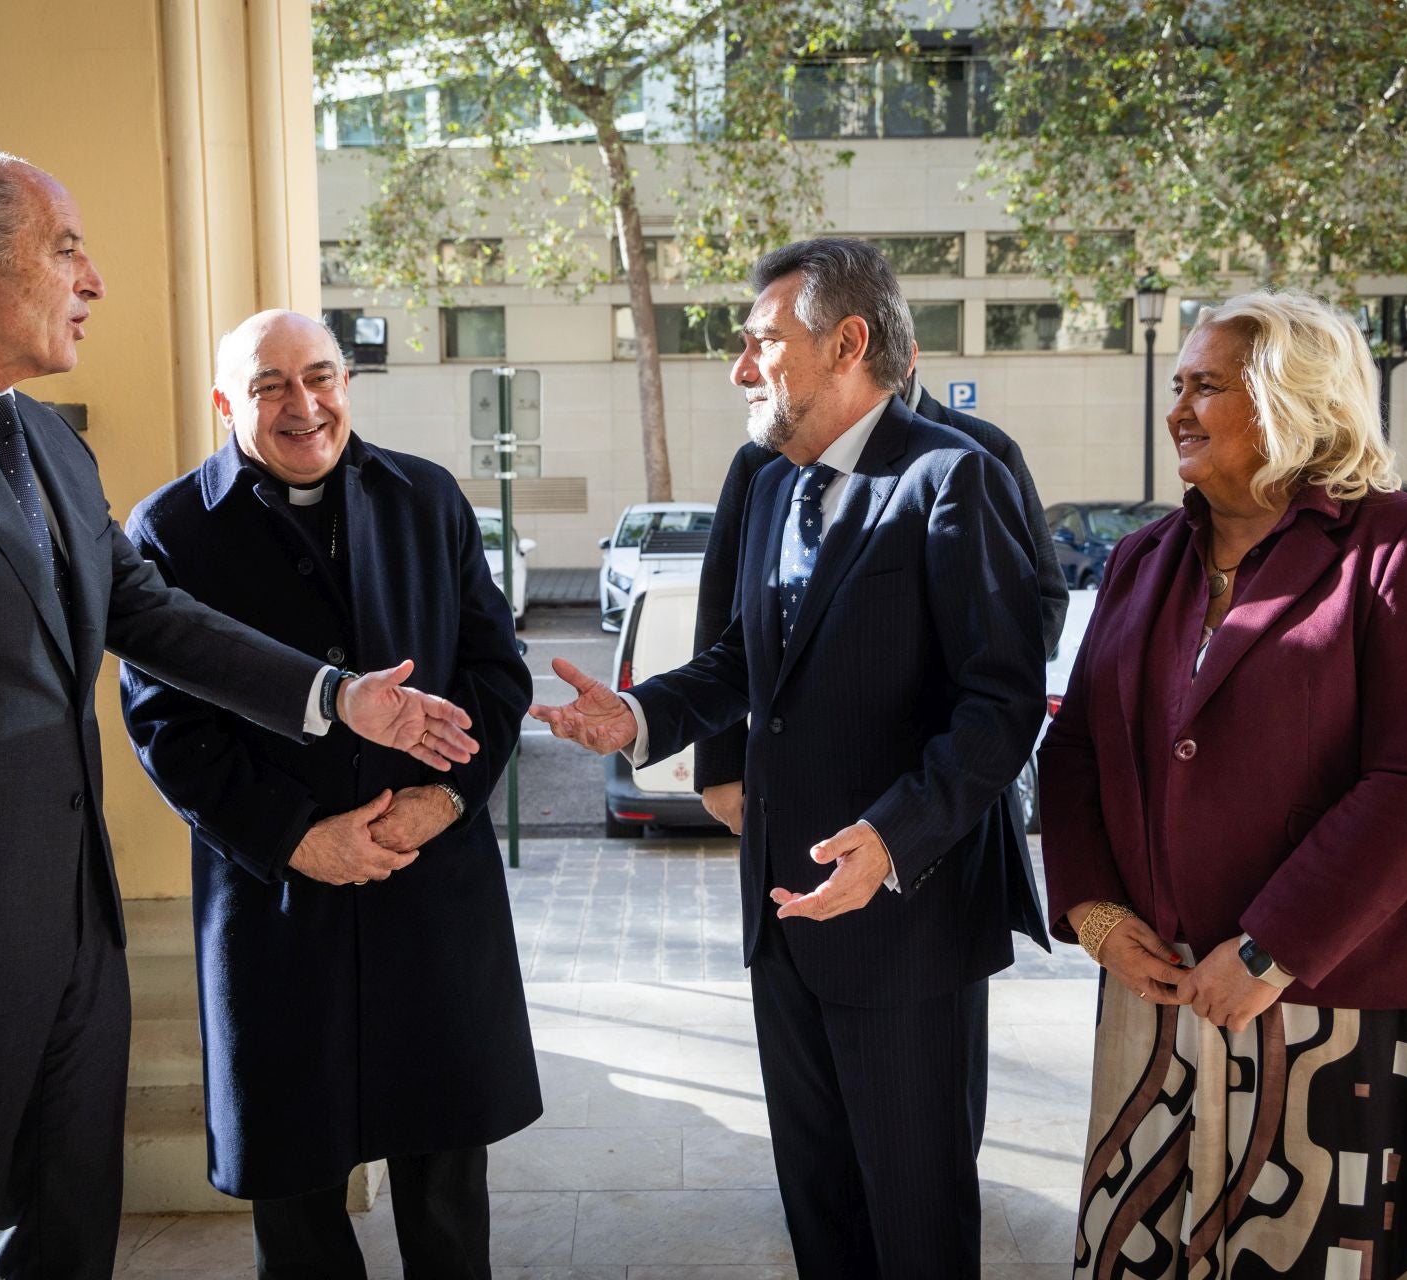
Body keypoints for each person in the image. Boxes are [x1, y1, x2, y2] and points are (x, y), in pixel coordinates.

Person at [0, 146, 479, 1280]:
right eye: (67, 249)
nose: (94, 281)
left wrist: (337, 698)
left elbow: (153, 616)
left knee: (69, 1241)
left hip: (74, 935)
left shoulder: (47, 444)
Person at [531, 237, 1049, 1276]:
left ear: (848, 344)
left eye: (762, 341)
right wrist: (636, 717)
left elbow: (1003, 703)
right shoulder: (772, 483)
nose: (740, 368)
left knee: (917, 1221)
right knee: (820, 1211)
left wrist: (891, 839)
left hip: (904, 919)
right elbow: (742, 659)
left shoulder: (953, 477)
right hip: (783, 915)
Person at [1036, 290, 1407, 1279]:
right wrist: (1095, 913)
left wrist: (1267, 950)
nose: (1177, 409)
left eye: (1207, 385)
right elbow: (1073, 749)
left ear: (1296, 398)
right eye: (1177, 384)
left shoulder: (1404, 543)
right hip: (1159, 994)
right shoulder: (1141, 558)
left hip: (1338, 1002)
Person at [119, 309, 540, 1278]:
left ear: (347, 383)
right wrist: (302, 837)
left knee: (446, 1185)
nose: (302, 405)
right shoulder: (170, 529)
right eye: (269, 386)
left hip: (430, 885)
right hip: (278, 898)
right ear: (225, 403)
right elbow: (168, 727)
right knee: (296, 1194)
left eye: (319, 377)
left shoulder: (426, 497)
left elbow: (496, 673)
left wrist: (441, 802)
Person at [693, 356, 1068, 833]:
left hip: (942, 781)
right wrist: (720, 762)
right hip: (793, 784)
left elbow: (1042, 601)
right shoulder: (763, 462)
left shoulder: (980, 449)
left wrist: (963, 711)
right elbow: (724, 614)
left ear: (903, 352)